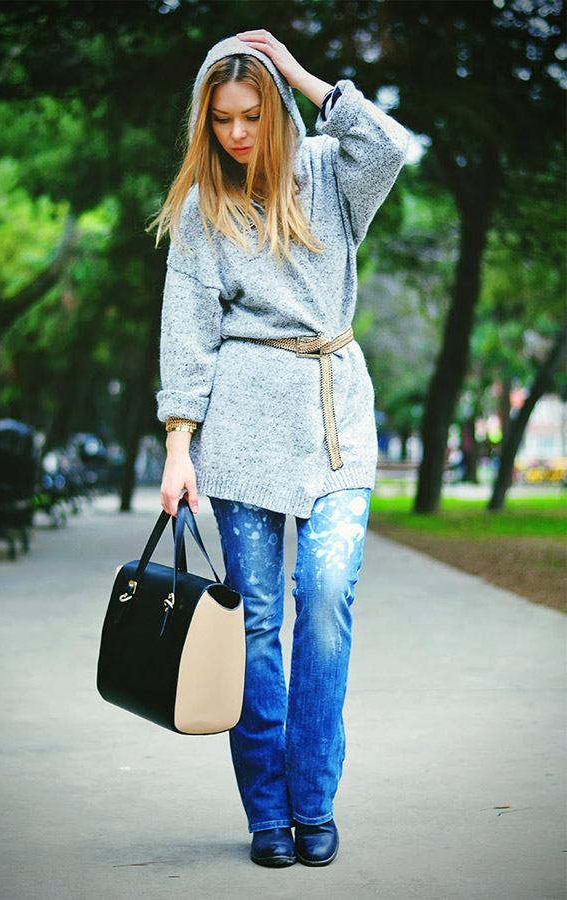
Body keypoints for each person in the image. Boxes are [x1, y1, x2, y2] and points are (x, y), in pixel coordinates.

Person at [150, 29, 410, 868]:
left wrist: (299, 75)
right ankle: (268, 812)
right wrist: (179, 448)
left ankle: (313, 800)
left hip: (337, 417)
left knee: (324, 596)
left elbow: (391, 147)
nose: (236, 133)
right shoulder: (204, 207)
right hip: (244, 425)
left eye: (252, 114)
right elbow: (188, 329)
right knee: (257, 620)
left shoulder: (329, 173)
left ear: (277, 111)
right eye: (221, 118)